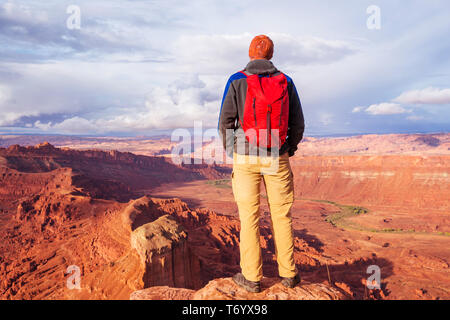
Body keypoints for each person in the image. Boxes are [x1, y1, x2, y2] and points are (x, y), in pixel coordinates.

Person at [218, 35, 305, 293]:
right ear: (271, 54)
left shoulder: (236, 80)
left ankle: (252, 278)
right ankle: (289, 275)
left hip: (245, 158)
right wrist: (288, 148)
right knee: (281, 215)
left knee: (249, 218)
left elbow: (225, 122)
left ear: (249, 53)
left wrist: (234, 150)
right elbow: (298, 123)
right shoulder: (286, 82)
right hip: (277, 156)